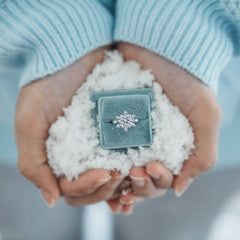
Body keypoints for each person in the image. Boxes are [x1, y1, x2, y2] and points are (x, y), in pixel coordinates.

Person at [1, 0, 239, 215]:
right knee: (30, 219)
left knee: (173, 224)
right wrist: (33, 23)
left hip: (219, 108)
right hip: (17, 111)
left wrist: (199, 19)